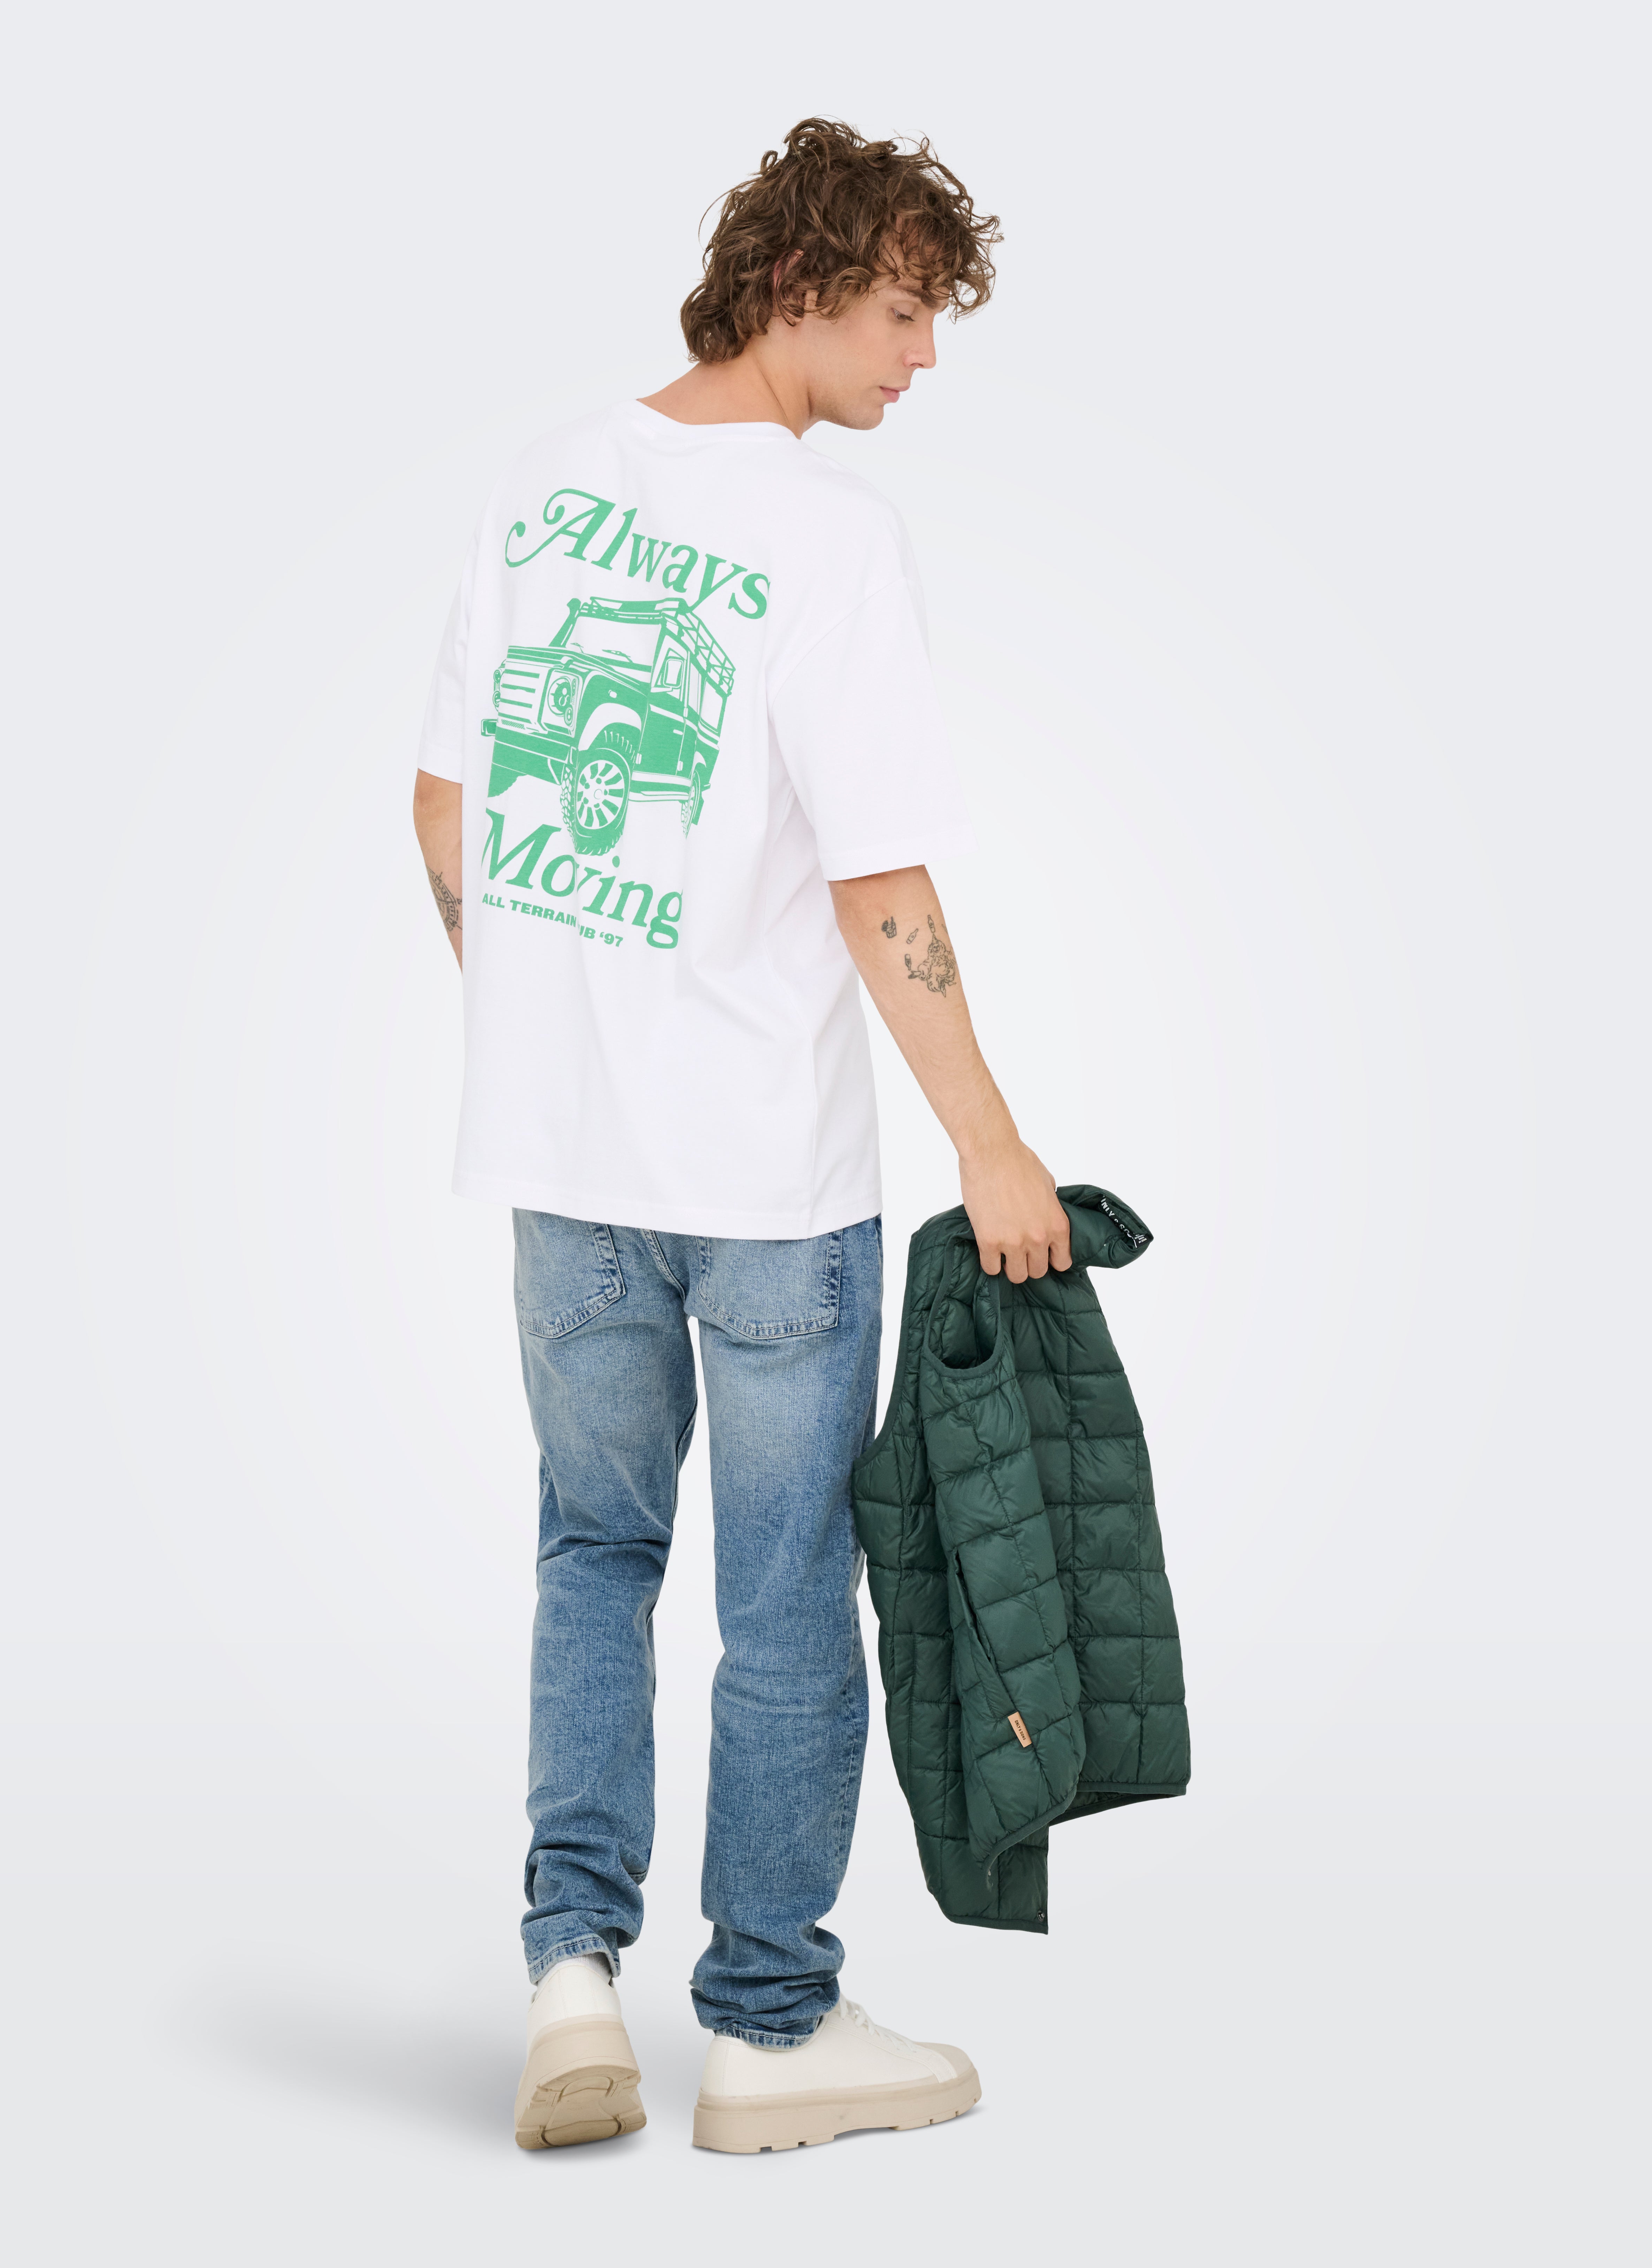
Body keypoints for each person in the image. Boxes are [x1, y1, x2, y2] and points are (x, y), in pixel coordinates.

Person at [413, 117, 1072, 2155]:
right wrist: (992, 1145)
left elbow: (445, 803)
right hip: (767, 1177)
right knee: (782, 1592)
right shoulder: (825, 534)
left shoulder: (541, 483)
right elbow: (878, 882)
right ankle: (771, 2030)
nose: (923, 359)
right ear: (796, 289)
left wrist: (550, 1015)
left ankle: (568, 1983)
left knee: (592, 1554)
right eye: (902, 314)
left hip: (560, 1163)